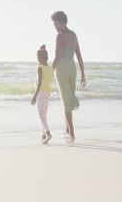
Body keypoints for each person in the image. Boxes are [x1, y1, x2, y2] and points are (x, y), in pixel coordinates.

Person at [51, 11, 86, 140]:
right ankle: (67, 129)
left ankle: (71, 132)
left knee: (65, 100)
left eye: (57, 24)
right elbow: (79, 56)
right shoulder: (74, 35)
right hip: (72, 67)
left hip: (62, 68)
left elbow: (57, 57)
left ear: (63, 22)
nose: (56, 27)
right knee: (68, 96)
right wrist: (82, 74)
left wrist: (49, 72)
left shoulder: (60, 37)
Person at [31, 45, 53, 144]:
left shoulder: (40, 68)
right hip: (48, 93)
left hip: (40, 93)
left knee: (41, 115)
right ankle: (43, 135)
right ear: (47, 58)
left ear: (39, 58)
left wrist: (34, 96)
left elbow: (39, 83)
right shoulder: (50, 68)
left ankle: (48, 133)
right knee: (44, 115)